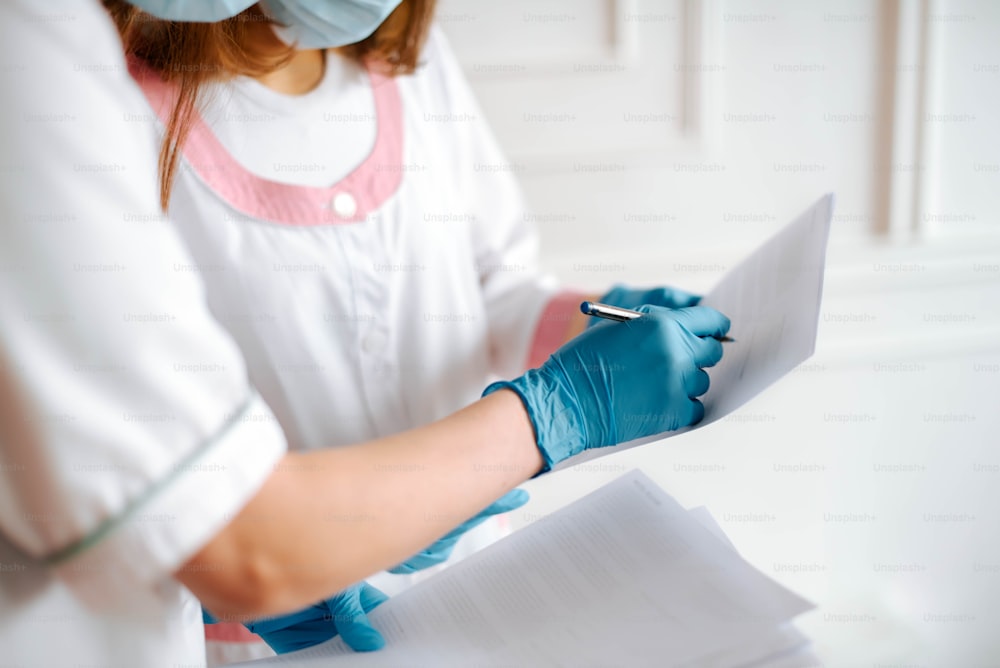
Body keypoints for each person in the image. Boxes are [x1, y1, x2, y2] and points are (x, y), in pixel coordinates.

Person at [0, 1, 730, 666]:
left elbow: (491, 287)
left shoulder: (407, 62)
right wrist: (560, 409)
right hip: (265, 623)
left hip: (462, 586)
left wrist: (597, 316)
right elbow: (200, 512)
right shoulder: (85, 94)